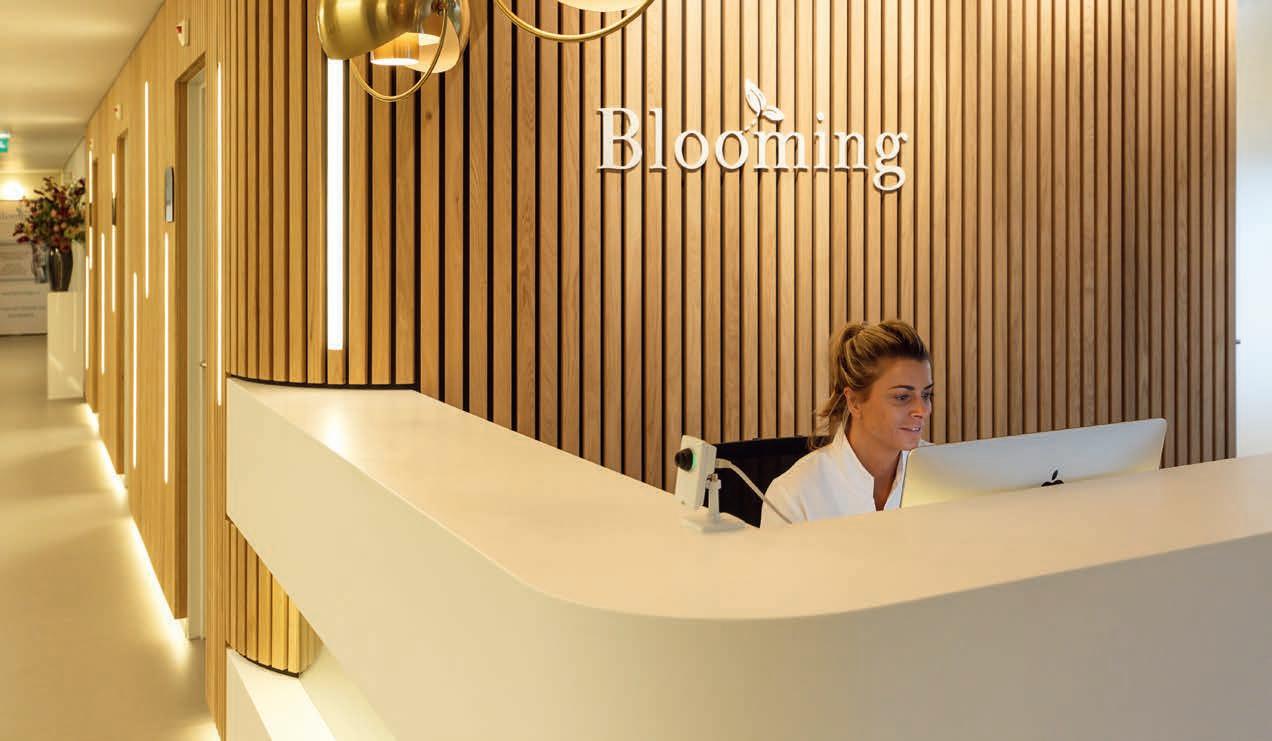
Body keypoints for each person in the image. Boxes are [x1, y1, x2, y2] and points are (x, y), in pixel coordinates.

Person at [761, 320, 933, 527]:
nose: (922, 410)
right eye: (902, 397)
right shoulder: (792, 497)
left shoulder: (946, 475)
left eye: (926, 395)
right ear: (854, 402)